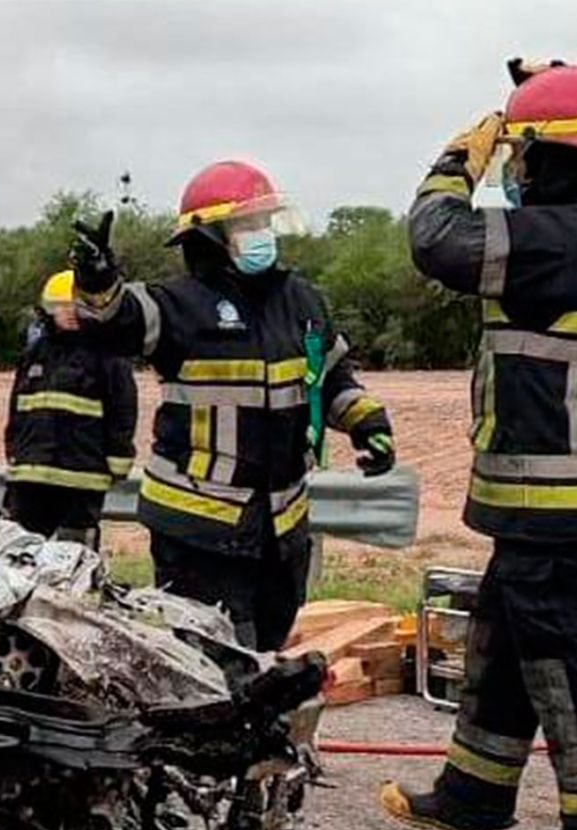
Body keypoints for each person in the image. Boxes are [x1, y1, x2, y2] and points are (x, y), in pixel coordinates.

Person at [381, 59, 577, 830]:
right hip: (556, 495)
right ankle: (473, 799)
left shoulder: (561, 236)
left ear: (554, 156)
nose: (516, 168)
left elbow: (439, 240)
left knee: (571, 665)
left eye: (523, 153)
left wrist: (452, 164)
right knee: (502, 647)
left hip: (561, 500)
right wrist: (549, 88)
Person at [69, 161, 396, 651]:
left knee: (265, 657)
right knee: (218, 666)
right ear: (210, 236)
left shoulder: (302, 300)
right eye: (247, 226)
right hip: (199, 531)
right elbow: (118, 322)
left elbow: (329, 378)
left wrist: (365, 421)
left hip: (280, 528)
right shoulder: (179, 305)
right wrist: (98, 284)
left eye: (265, 223)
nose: (262, 235)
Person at [3, 269, 137, 547]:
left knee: (74, 560)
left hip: (82, 475)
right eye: (58, 307)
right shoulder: (35, 353)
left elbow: (122, 412)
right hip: (31, 473)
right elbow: (17, 408)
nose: (68, 313)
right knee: (18, 555)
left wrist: (117, 462)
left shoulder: (108, 355)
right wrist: (14, 451)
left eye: (76, 306)